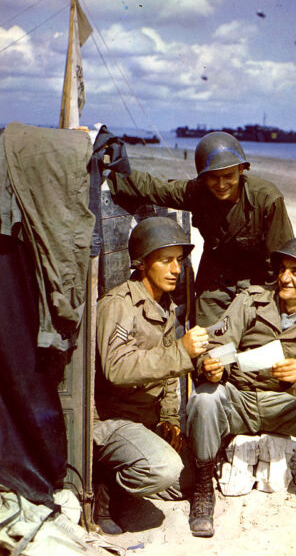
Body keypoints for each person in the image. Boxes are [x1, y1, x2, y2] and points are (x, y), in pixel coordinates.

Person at [186, 237, 296, 538]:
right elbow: (216, 344)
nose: (285, 278)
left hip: (288, 406)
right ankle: (202, 488)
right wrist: (211, 366)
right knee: (203, 398)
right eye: (283, 269)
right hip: (241, 399)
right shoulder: (251, 301)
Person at [93, 216, 209, 534]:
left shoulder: (163, 306)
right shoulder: (119, 306)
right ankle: (105, 494)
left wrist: (170, 418)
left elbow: (169, 375)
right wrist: (182, 352)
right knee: (163, 469)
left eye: (180, 261)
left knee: (186, 480)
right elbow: (116, 369)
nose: (176, 269)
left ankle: (127, 473)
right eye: (166, 261)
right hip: (110, 422)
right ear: (143, 264)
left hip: (144, 420)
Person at [108, 131, 294, 326]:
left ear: (241, 169)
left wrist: (275, 301)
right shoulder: (198, 192)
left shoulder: (266, 200)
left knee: (257, 341)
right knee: (207, 343)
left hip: (258, 282)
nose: (221, 184)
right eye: (213, 177)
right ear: (203, 178)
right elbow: (156, 188)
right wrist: (112, 173)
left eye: (228, 176)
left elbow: (284, 259)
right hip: (215, 282)